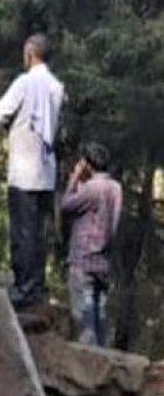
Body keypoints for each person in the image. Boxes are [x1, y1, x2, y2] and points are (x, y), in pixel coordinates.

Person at [0, 34, 65, 310]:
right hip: (46, 170)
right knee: (39, 232)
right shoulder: (57, 87)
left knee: (22, 232)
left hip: (23, 169)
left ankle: (24, 288)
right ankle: (37, 284)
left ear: (30, 53)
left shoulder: (24, 82)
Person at [60, 143, 122, 346]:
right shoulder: (116, 188)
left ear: (87, 164)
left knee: (85, 323)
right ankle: (104, 358)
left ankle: (92, 360)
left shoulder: (92, 188)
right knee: (100, 318)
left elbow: (66, 206)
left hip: (83, 260)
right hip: (103, 262)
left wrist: (73, 179)